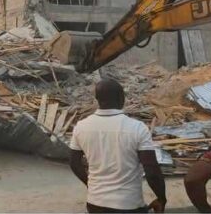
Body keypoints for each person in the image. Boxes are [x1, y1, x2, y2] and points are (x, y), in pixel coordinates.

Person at [70, 79, 166, 213]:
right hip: (129, 205)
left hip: (95, 204)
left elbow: (74, 163)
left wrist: (91, 185)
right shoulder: (137, 128)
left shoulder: (81, 127)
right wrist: (162, 198)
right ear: (122, 98)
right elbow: (151, 170)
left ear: (97, 99)